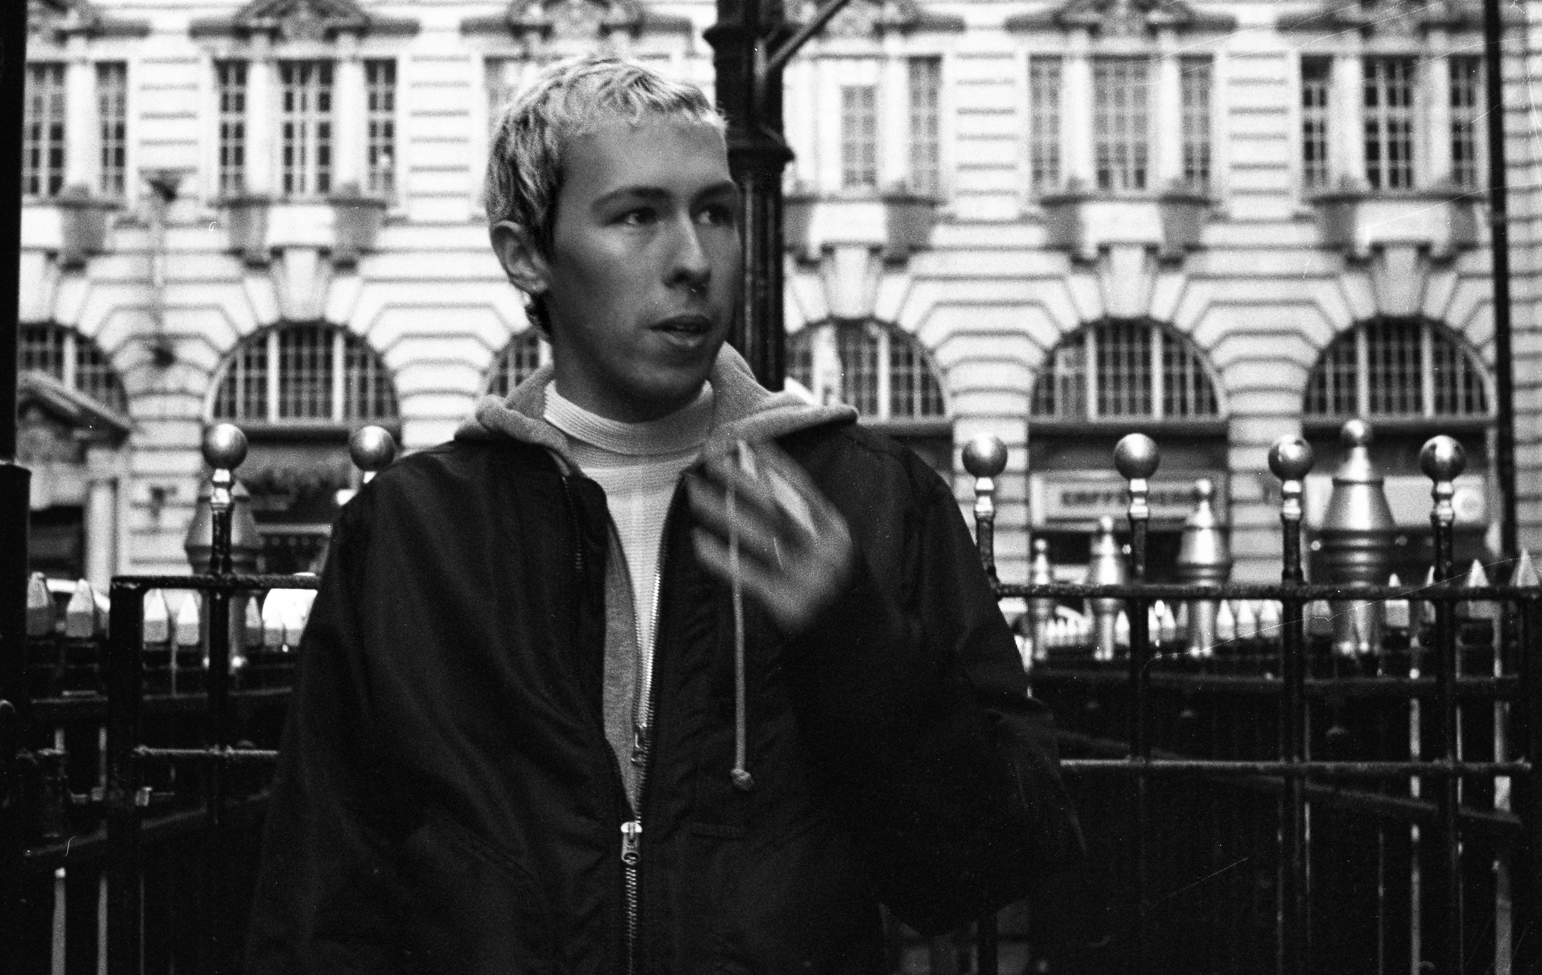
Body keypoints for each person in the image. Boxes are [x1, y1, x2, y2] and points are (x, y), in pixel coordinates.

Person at [245, 55, 1081, 975]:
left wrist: (852, 634)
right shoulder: (412, 534)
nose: (693, 260)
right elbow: (320, 907)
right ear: (526, 253)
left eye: (715, 212)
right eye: (638, 216)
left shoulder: (871, 498)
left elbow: (989, 864)